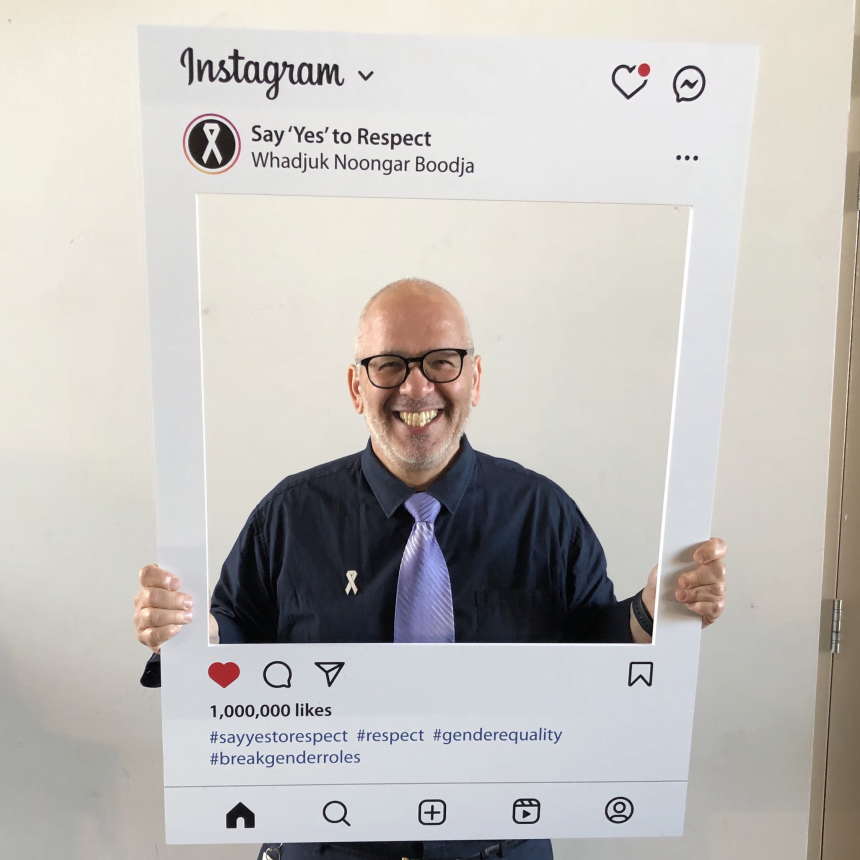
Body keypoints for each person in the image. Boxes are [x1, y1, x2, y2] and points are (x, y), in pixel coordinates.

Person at [134, 278, 727, 860]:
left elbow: (595, 650)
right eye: (389, 364)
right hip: (328, 844)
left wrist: (653, 612)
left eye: (441, 361)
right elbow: (234, 643)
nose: (416, 387)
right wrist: (190, 637)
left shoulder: (542, 514)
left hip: (501, 843)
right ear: (354, 385)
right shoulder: (289, 516)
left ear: (474, 377)